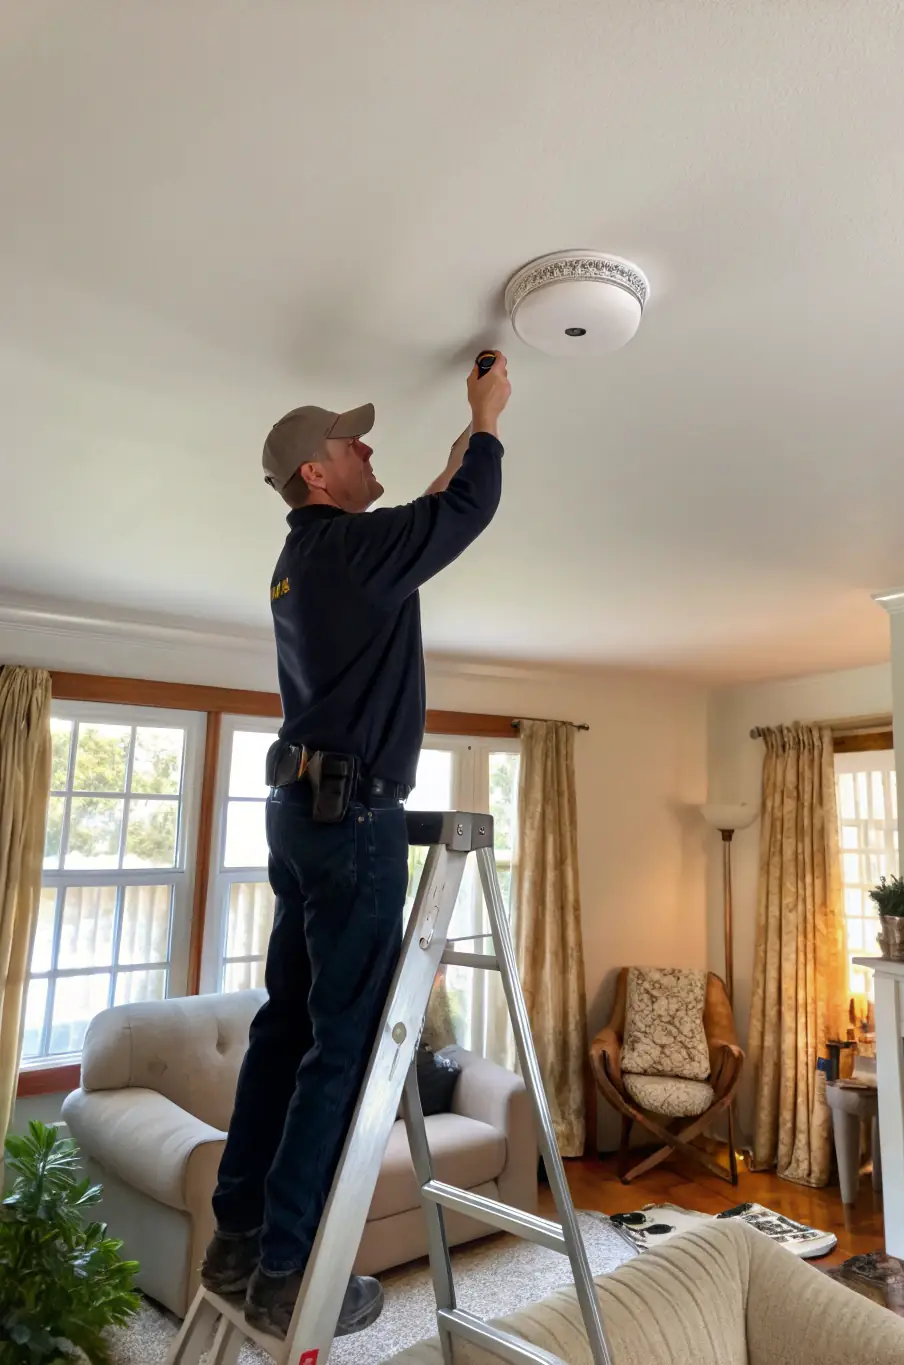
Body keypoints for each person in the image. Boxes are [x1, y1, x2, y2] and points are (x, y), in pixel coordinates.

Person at [199, 354, 512, 1339]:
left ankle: (240, 1242)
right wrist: (488, 416)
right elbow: (462, 513)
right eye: (351, 440)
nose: (368, 443)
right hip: (354, 823)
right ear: (316, 476)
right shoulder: (345, 555)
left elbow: (426, 514)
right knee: (343, 1046)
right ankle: (293, 1271)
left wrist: (460, 446)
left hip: (299, 818)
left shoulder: (313, 560)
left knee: (285, 1030)